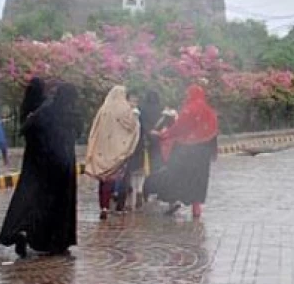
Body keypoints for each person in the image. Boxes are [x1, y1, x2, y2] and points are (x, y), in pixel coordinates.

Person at [0, 80, 80, 258]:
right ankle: (54, 242)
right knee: (58, 206)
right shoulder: (71, 114)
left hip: (39, 163)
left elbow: (26, 129)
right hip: (62, 165)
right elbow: (76, 135)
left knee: (36, 202)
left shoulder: (44, 111)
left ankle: (26, 233)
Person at [146, 84, 219, 219]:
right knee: (199, 180)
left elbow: (179, 128)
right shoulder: (210, 112)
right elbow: (213, 132)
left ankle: (174, 201)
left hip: (186, 150)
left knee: (177, 175)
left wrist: (164, 135)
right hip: (204, 153)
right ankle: (196, 210)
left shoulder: (189, 109)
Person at [84, 86, 141, 219]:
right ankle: (119, 206)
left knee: (103, 179)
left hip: (103, 149)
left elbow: (95, 129)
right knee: (119, 178)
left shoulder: (103, 110)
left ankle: (103, 206)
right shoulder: (126, 110)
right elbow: (132, 127)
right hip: (119, 150)